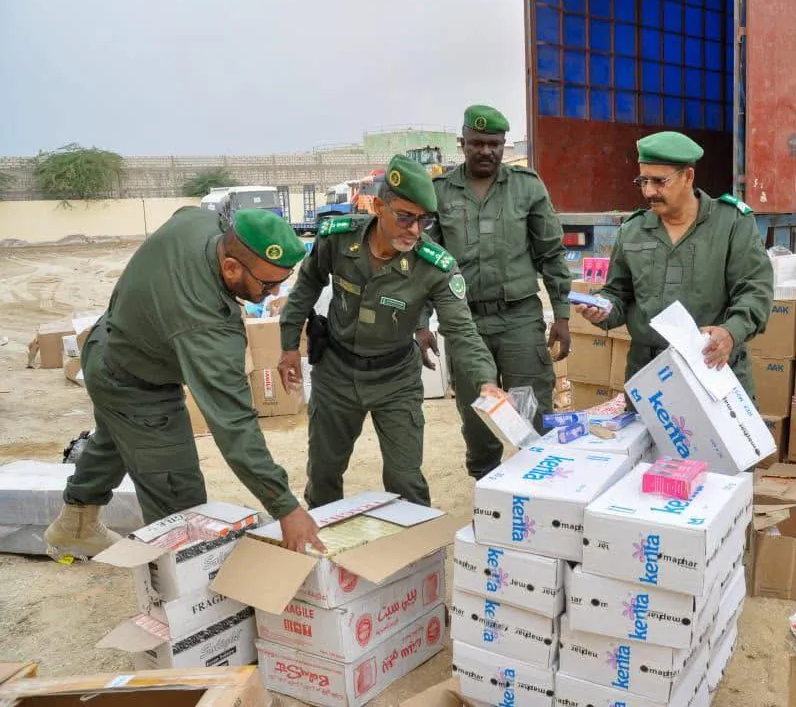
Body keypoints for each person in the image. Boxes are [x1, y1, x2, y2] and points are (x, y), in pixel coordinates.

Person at [45, 207, 324, 559]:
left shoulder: (200, 222)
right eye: (267, 284)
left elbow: (183, 213)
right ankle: (176, 581)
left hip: (108, 345)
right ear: (231, 267)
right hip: (136, 382)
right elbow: (233, 423)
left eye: (282, 281)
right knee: (179, 498)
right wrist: (286, 507)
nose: (275, 292)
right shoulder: (206, 324)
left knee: (116, 438)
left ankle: (75, 525)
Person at [278, 155, 502, 508]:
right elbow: (307, 283)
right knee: (323, 475)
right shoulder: (339, 240)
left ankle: (417, 544)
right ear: (379, 207)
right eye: (405, 217)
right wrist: (289, 344)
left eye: (424, 220)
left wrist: (486, 380)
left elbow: (462, 331)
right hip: (336, 375)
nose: (414, 230)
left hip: (395, 380)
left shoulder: (435, 266)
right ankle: (324, 543)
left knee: (405, 480)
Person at [416, 104, 573, 480]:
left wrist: (562, 315)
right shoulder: (440, 193)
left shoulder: (527, 187)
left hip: (520, 320)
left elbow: (551, 253)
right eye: (477, 143)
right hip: (465, 324)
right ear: (463, 143)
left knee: (532, 414)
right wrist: (421, 322)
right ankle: (487, 490)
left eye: (494, 144)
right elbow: (426, 264)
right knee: (477, 419)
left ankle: (538, 489)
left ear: (504, 144)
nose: (486, 151)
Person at [577, 131, 774, 400]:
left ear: (688, 177)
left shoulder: (731, 224)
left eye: (659, 181)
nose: (649, 191)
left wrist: (731, 332)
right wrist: (603, 310)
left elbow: (755, 291)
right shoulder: (633, 231)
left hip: (712, 371)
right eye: (643, 181)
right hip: (650, 378)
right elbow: (618, 294)